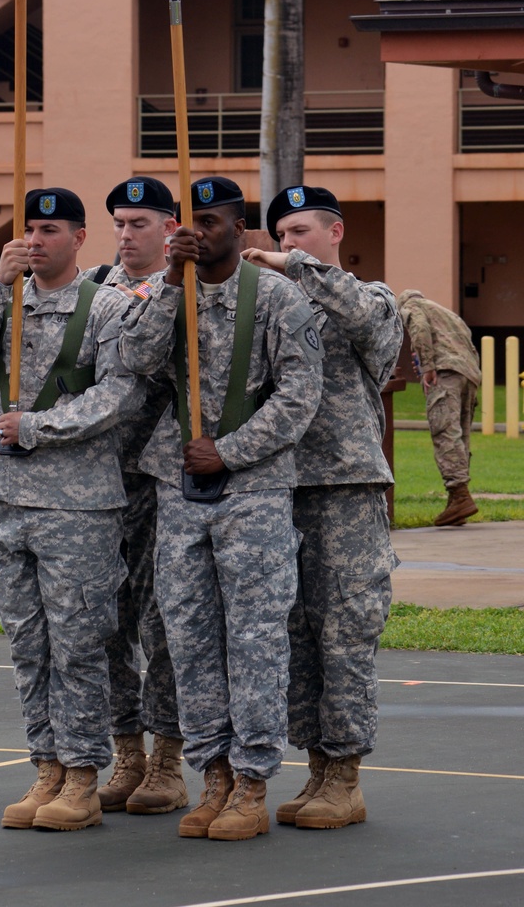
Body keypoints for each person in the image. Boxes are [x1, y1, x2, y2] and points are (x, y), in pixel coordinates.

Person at [119, 177, 324, 842]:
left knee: (256, 642)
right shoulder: (168, 295)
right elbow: (135, 360)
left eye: (210, 222)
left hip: (253, 494)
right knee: (190, 642)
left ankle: (253, 783)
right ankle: (213, 778)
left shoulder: (278, 298)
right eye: (191, 221)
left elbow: (299, 398)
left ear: (240, 231)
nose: (197, 232)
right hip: (180, 495)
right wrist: (171, 284)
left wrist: (229, 452)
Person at [0, 188, 142, 833]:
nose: (35, 240)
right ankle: (47, 766)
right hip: (10, 499)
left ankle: (84, 776)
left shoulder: (109, 307)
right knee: (28, 644)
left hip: (79, 503)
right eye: (28, 228)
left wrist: (36, 427)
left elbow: (120, 396)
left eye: (50, 229)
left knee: (79, 644)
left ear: (80, 238)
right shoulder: (7, 301)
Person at [242, 186, 403, 829]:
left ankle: (346, 776)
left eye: (302, 232)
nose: (288, 245)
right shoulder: (269, 304)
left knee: (345, 630)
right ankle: (315, 769)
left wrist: (295, 270)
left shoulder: (376, 299)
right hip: (277, 484)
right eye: (281, 235)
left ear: (336, 233)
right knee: (295, 637)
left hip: (344, 487)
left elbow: (361, 318)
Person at [93, 177, 186, 817]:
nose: (127, 235)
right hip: (95, 480)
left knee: (162, 622)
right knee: (108, 623)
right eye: (120, 223)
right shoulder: (93, 289)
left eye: (140, 223)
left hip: (162, 479)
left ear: (170, 227)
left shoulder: (189, 292)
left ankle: (168, 760)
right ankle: (126, 750)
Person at [396, 288, 482, 526]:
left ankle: (459, 495)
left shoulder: (412, 308)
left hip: (446, 373)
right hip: (470, 373)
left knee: (444, 431)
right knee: (460, 435)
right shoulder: (448, 314)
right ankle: (457, 499)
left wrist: (428, 367)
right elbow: (468, 342)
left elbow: (420, 330)